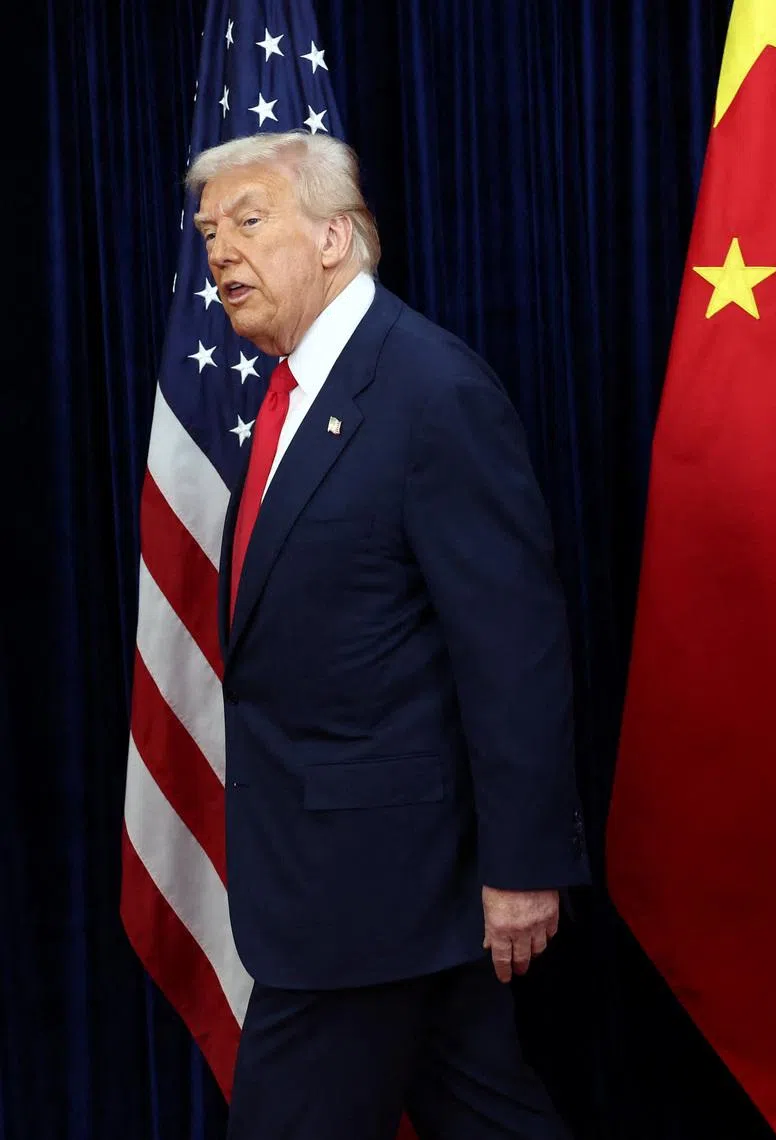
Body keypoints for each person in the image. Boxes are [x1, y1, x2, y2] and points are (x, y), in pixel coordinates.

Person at [186, 130, 588, 1140]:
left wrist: (524, 864)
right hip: (364, 881)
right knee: (488, 1109)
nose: (220, 254)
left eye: (247, 221)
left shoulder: (428, 390)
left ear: (333, 237)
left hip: (369, 894)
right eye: (207, 234)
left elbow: (515, 647)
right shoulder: (292, 399)